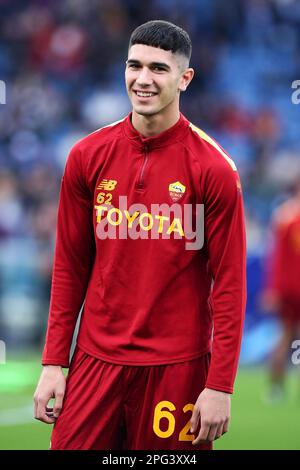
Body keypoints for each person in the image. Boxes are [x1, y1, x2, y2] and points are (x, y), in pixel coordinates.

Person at [33, 20, 247, 450]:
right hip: (95, 361)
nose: (142, 79)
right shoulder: (86, 156)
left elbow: (229, 286)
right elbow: (70, 266)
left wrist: (220, 385)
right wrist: (55, 362)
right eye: (134, 65)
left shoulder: (214, 169)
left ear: (185, 78)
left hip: (177, 368)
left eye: (158, 69)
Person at [262, 179, 300, 401]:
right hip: (290, 289)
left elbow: (274, 257)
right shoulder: (286, 219)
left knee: (285, 336)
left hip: (287, 288)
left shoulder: (283, 216)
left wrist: (273, 288)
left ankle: (276, 389)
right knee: (287, 336)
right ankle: (277, 387)